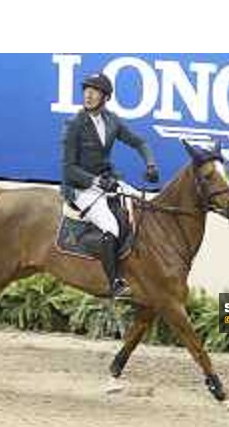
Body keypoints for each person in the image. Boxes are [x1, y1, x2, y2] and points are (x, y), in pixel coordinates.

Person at [61, 72, 160, 298]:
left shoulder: (111, 120)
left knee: (145, 203)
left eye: (94, 91)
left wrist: (151, 164)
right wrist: (96, 181)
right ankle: (114, 282)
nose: (88, 94)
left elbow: (139, 142)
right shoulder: (74, 124)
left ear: (105, 97)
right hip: (81, 188)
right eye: (86, 90)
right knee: (111, 227)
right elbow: (68, 169)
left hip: (107, 180)